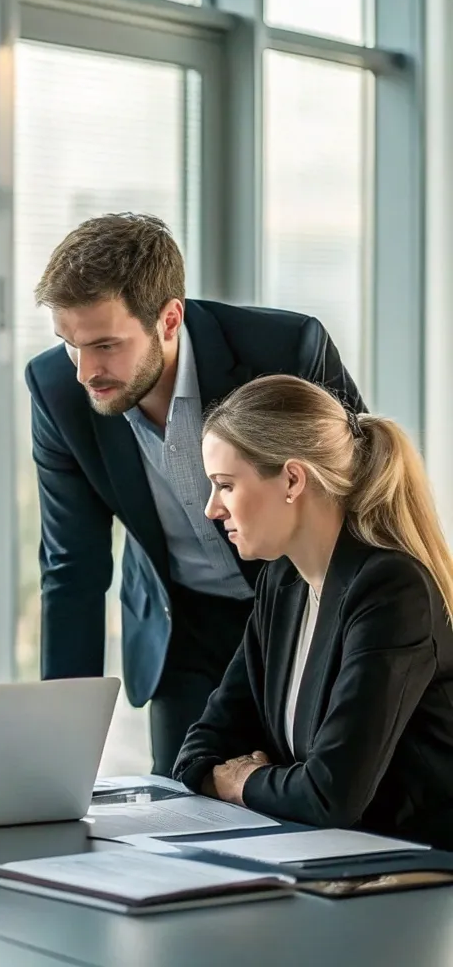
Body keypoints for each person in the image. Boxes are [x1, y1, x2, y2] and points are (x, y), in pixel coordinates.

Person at [25, 212, 365, 774]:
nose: (86, 371)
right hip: (178, 626)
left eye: (106, 345)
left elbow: (359, 498)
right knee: (184, 812)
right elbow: (72, 570)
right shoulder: (58, 389)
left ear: (169, 319)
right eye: (70, 344)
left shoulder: (284, 350)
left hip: (298, 607)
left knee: (303, 804)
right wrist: (61, 751)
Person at [173, 375, 453, 847]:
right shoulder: (282, 583)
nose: (211, 510)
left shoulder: (391, 591)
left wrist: (239, 782)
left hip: (416, 872)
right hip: (327, 858)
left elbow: (330, 794)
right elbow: (199, 751)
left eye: (225, 485)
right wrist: (258, 780)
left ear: (292, 479)